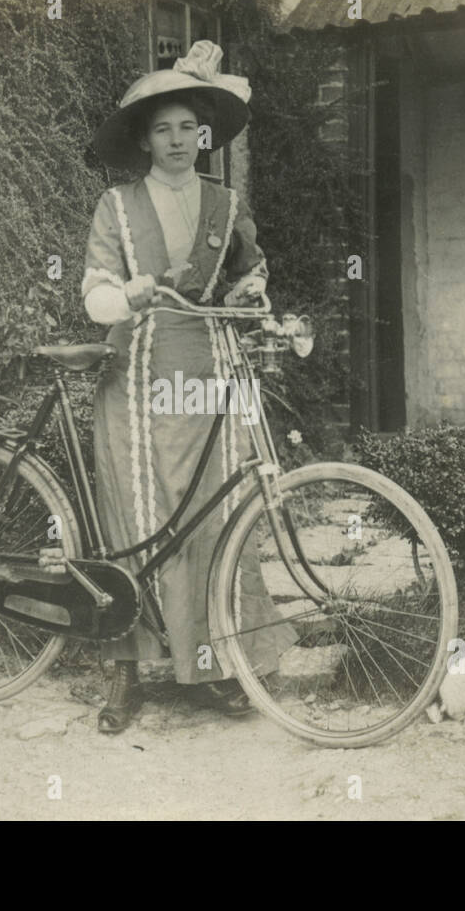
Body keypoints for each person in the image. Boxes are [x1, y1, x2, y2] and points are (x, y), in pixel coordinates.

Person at [82, 41, 298, 733]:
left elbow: (247, 272)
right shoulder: (115, 208)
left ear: (203, 136)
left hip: (209, 375)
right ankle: (127, 670)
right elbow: (94, 295)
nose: (177, 142)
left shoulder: (224, 204)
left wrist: (253, 287)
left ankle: (212, 665)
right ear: (143, 138)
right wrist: (132, 291)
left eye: (187, 129)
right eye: (163, 129)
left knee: (215, 515)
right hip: (137, 379)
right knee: (135, 522)